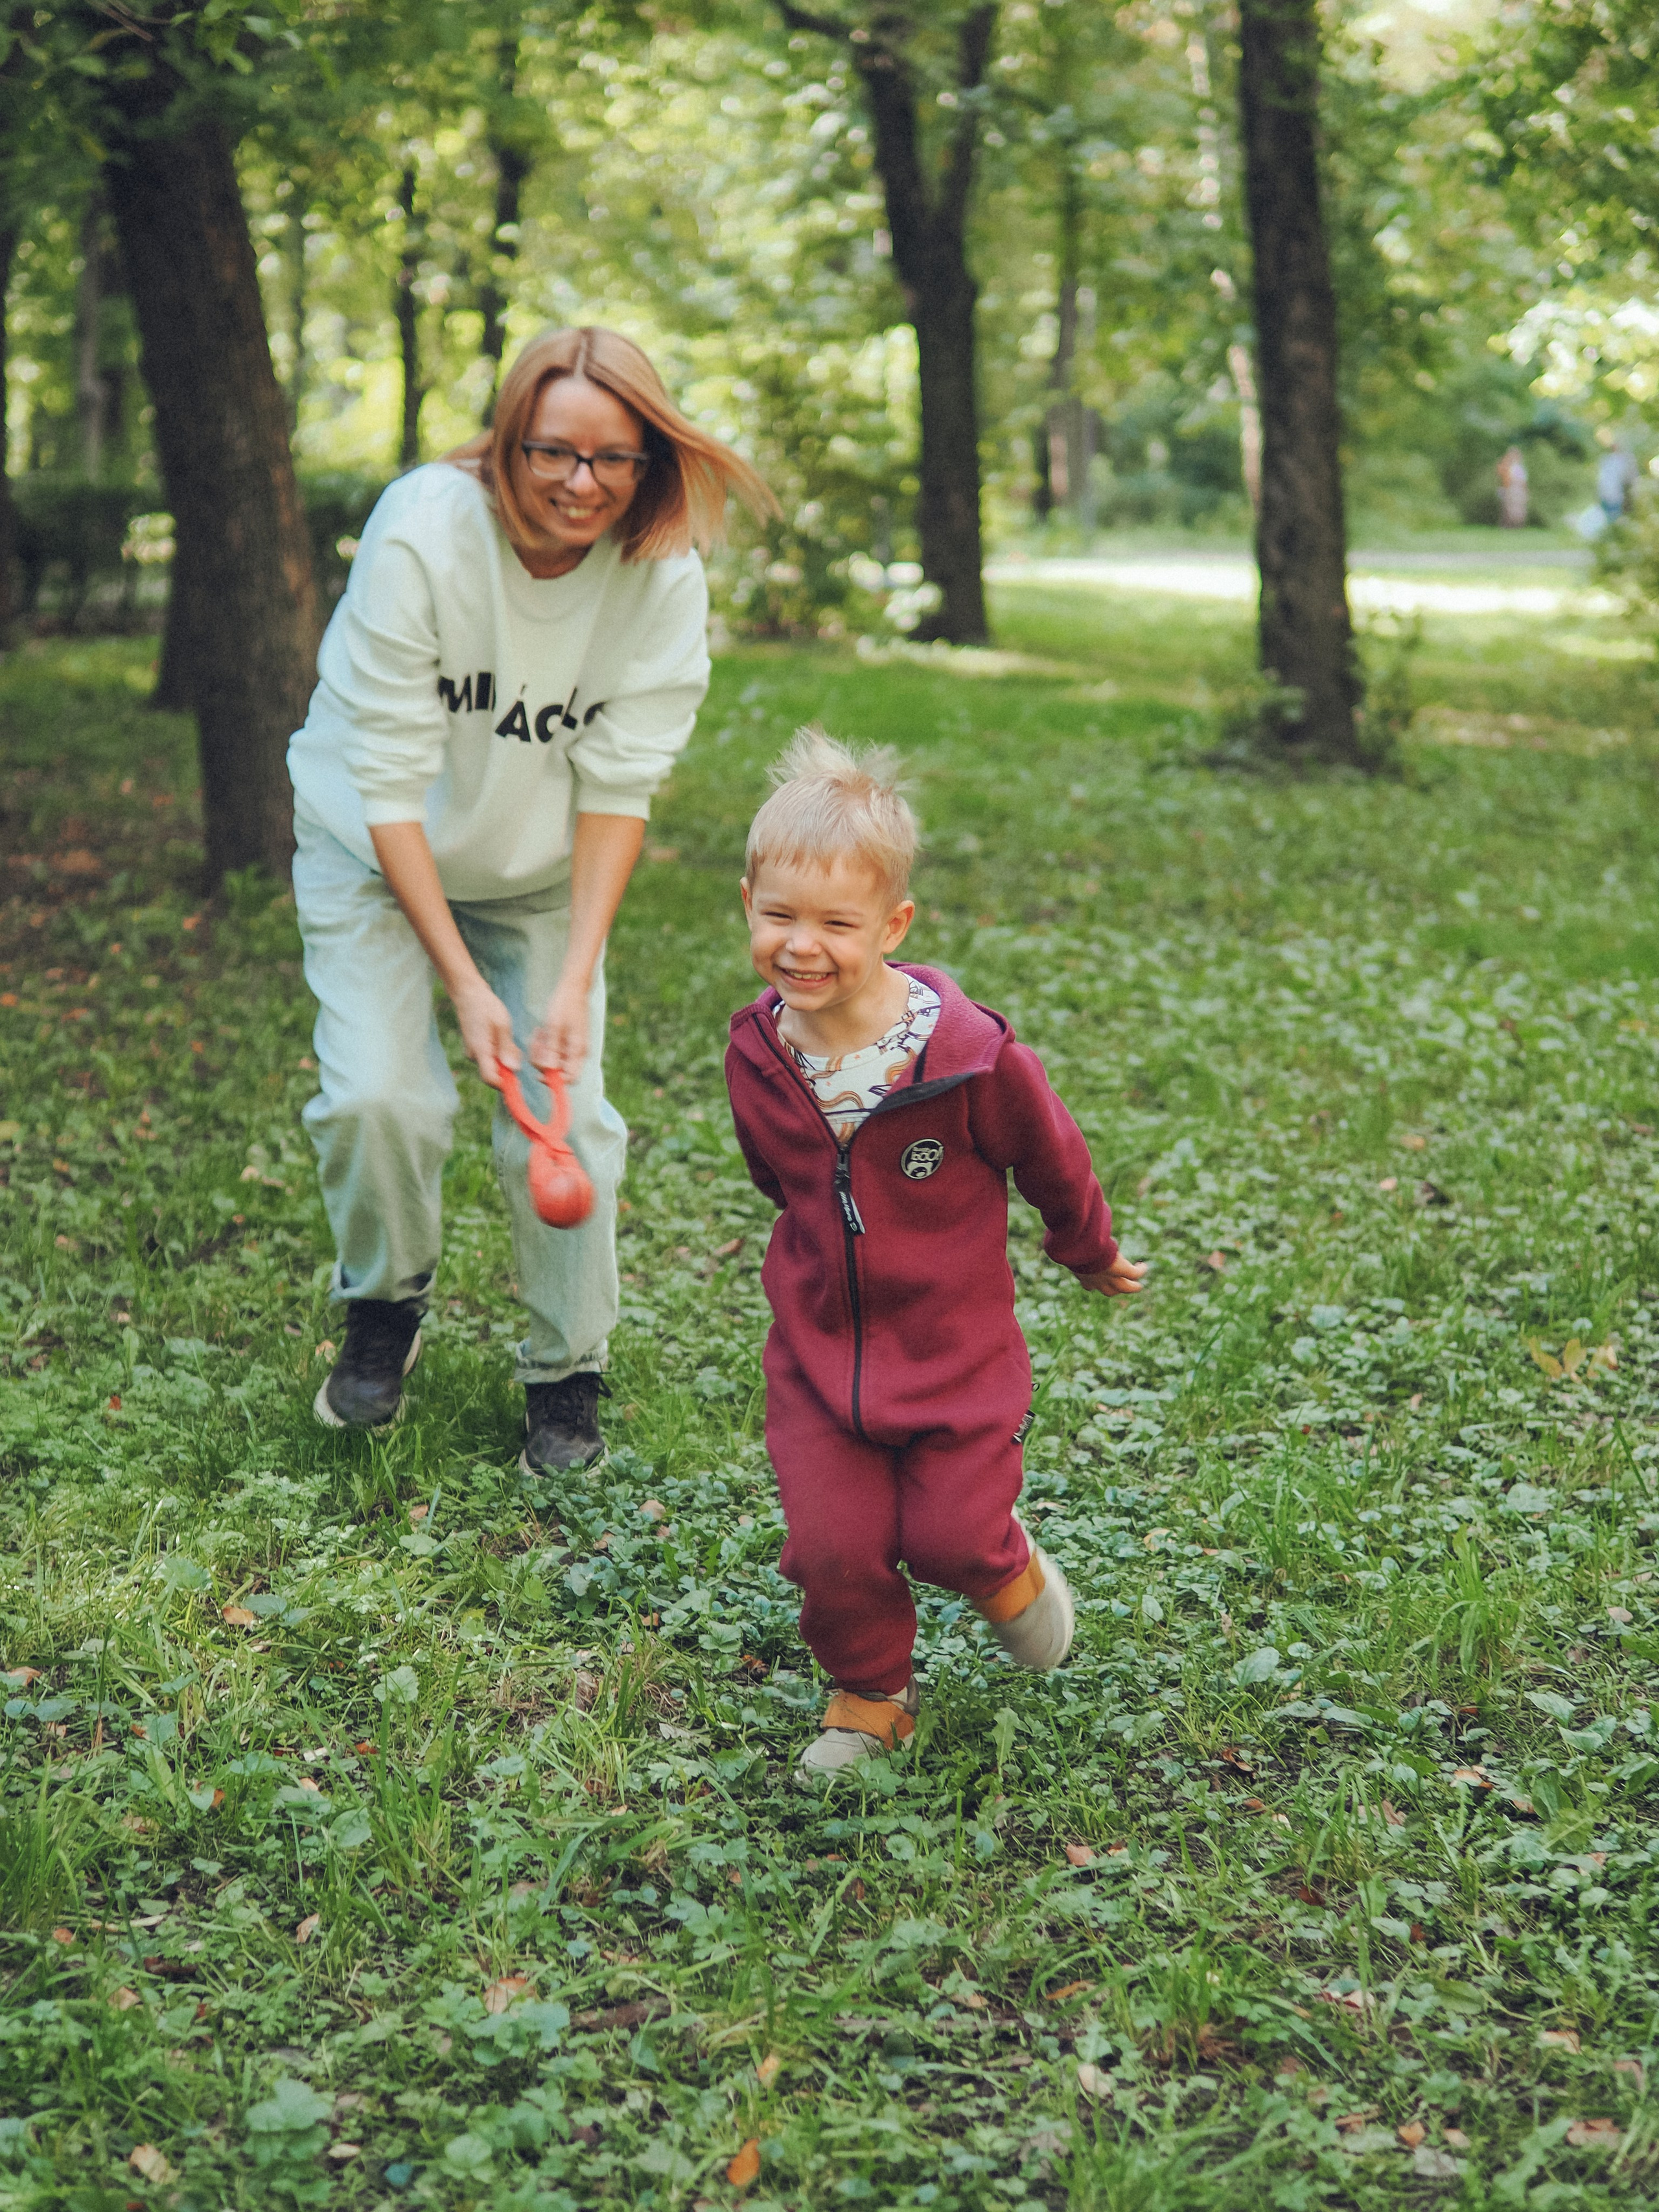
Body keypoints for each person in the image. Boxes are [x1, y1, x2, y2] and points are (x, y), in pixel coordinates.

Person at [287, 327, 773, 1470]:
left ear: (649, 464)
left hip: (541, 872)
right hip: (373, 850)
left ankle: (567, 1374)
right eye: (555, 452)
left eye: (615, 460)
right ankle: (383, 1309)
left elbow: (619, 788)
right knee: (377, 1098)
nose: (581, 484)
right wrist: (463, 983)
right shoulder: (423, 533)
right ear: (508, 442)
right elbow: (390, 779)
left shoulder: (659, 574)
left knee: (571, 1128)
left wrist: (565, 979)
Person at [723, 731, 1147, 1776]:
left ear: (893, 924)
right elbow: (777, 1176)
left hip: (954, 1356)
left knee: (953, 1533)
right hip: (822, 1359)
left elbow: (1052, 1154)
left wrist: (1083, 1245)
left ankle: (1009, 1573)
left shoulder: (965, 1062)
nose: (801, 946)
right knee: (833, 1547)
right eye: (779, 917)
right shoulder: (758, 1050)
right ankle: (869, 1695)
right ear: (747, 904)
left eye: (836, 923)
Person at [1496, 445, 1528, 529]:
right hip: (1508, 488)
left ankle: (1517, 526)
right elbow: (1501, 474)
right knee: (1507, 508)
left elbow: (1523, 481)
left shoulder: (1519, 468)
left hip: (1517, 489)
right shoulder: (1507, 465)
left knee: (1517, 508)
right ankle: (1507, 526)